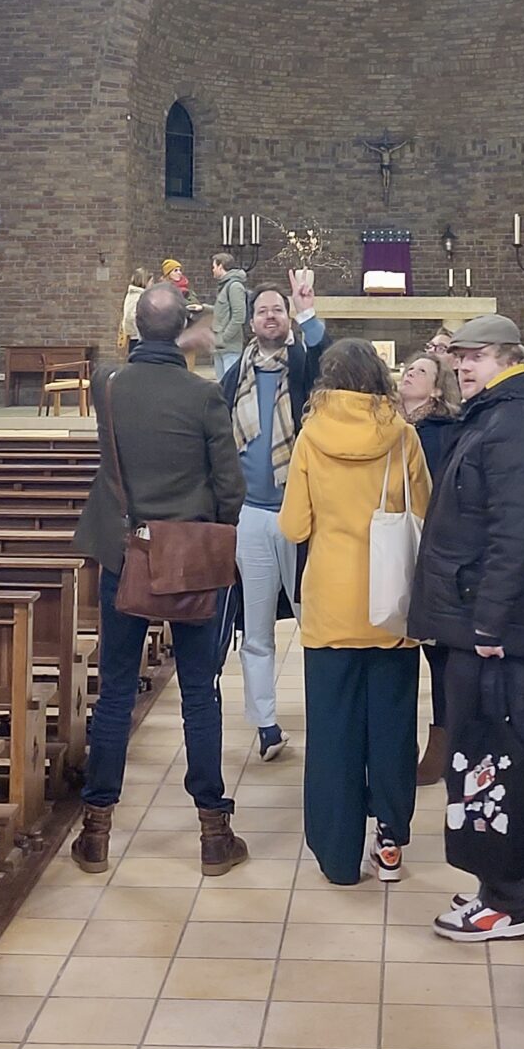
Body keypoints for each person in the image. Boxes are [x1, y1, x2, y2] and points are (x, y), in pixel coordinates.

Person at [70, 279, 250, 878]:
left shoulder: (109, 386)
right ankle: (213, 834)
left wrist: (168, 336)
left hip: (125, 551)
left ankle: (96, 830)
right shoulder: (202, 398)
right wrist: (209, 532)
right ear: (181, 331)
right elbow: (230, 487)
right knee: (200, 691)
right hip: (190, 556)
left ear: (134, 330)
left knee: (117, 689)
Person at [409, 311, 524, 941]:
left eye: (473, 357)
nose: (460, 366)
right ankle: (503, 883)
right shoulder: (502, 417)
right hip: (484, 619)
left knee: (499, 757)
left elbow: (517, 535)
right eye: (457, 357)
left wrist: (488, 621)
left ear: (509, 357)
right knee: (486, 753)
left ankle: (511, 897)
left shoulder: (521, 426)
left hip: (496, 628)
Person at [280, 340, 431, 885]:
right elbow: (427, 512)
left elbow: (294, 526)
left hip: (331, 604)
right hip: (391, 605)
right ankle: (389, 844)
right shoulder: (403, 436)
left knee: (333, 732)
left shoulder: (310, 437)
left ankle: (339, 857)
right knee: (392, 729)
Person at [219, 268, 326, 762]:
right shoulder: (232, 377)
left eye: (277, 310)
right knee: (256, 628)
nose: (269, 316)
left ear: (287, 319)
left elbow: (331, 359)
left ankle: (326, 714)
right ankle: (265, 725)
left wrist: (307, 308)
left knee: (315, 621)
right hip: (252, 517)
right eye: (262, 309)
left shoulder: (304, 366)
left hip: (302, 515)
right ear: (251, 321)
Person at [397, 350, 460, 785]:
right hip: (391, 549)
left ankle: (441, 746)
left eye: (420, 371)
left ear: (436, 389)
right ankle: (398, 745)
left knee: (438, 656)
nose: (408, 373)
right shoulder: (386, 425)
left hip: (430, 550)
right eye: (406, 368)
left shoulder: (442, 432)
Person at [209, 250, 252, 380]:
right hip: (220, 347)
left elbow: (239, 316)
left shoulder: (234, 286)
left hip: (230, 348)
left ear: (221, 266)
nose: (213, 270)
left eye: (214, 266)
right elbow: (222, 310)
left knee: (230, 384)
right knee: (222, 385)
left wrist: (223, 338)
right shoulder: (225, 285)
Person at [118, 265, 150, 354]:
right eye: (151, 281)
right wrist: (142, 335)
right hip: (138, 339)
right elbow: (132, 317)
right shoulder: (136, 296)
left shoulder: (135, 295)